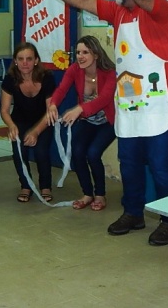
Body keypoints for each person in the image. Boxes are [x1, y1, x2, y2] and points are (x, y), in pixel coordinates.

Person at [25, 0, 168, 246]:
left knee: (160, 162)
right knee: (129, 160)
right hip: (131, 100)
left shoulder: (159, 10)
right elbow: (83, 0)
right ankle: (133, 212)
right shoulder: (117, 12)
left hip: (164, 96)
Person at [46, 35, 117, 211]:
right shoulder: (75, 70)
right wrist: (53, 105)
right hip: (87, 120)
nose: (80, 56)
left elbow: (105, 98)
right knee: (77, 153)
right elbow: (61, 89)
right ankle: (87, 194)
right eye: (78, 52)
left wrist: (79, 109)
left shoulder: (110, 73)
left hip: (108, 122)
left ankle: (100, 194)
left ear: (96, 54)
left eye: (85, 52)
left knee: (93, 153)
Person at [0, 42, 56, 203]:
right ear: (15, 61)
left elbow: (50, 110)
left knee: (41, 151)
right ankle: (26, 185)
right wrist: (11, 126)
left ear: (36, 60)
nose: (25, 63)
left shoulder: (47, 78)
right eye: (21, 59)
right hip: (20, 120)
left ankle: (45, 186)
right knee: (19, 152)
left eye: (29, 59)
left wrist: (36, 131)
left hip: (44, 119)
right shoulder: (10, 79)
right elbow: (4, 110)